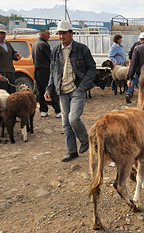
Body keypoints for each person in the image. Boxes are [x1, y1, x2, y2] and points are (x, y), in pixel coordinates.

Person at [44, 21, 96, 162]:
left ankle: (86, 141)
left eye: (64, 33)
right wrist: (49, 88)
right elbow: (52, 72)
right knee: (65, 123)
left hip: (76, 88)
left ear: (71, 33)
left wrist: (82, 86)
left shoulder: (81, 49)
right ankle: (71, 151)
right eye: (59, 33)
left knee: (73, 118)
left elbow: (92, 68)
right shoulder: (55, 51)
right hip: (62, 90)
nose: (61, 36)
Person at [32, 28, 61, 118]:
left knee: (40, 91)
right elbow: (50, 58)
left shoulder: (35, 44)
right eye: (48, 34)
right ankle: (58, 111)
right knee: (50, 89)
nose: (49, 36)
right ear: (43, 35)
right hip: (44, 70)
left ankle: (43, 110)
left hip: (36, 70)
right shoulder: (44, 44)